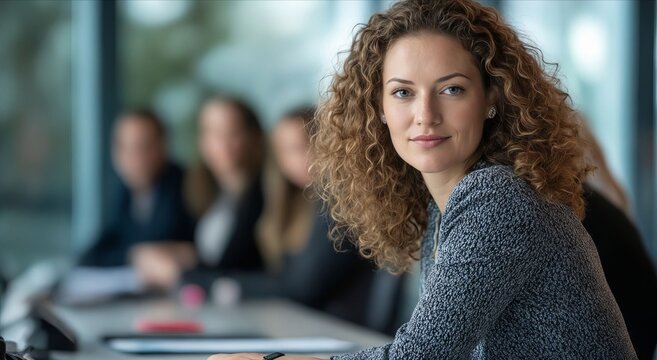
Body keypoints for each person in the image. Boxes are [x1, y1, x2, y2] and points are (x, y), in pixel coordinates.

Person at [209, 0, 636, 359]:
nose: (425, 115)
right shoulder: (443, 205)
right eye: (402, 92)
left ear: (491, 98)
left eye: (451, 89)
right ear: (377, 107)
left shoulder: (499, 198)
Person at [185, 106, 374, 323]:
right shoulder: (296, 205)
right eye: (285, 151)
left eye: (304, 146)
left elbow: (302, 288)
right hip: (309, 325)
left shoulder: (340, 205)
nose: (298, 159)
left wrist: (224, 286)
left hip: (344, 332)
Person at [132, 96, 266, 290]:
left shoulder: (264, 196)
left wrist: (179, 272)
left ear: (253, 137)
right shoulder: (208, 194)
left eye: (232, 133)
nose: (221, 143)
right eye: (212, 133)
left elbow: (237, 270)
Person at [79, 109, 195, 268]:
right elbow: (91, 255)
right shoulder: (125, 193)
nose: (131, 157)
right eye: (123, 147)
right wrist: (134, 255)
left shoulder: (188, 188)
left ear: (163, 147)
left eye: (141, 147)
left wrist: (135, 254)